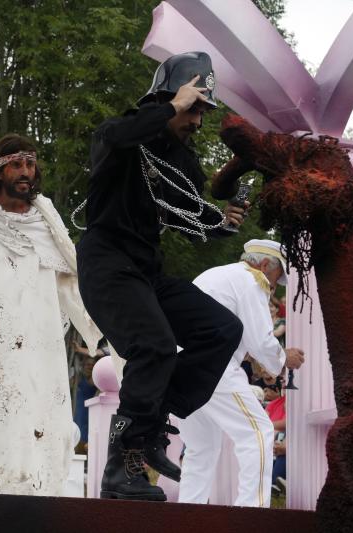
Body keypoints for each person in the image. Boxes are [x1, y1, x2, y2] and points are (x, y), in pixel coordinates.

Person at [76, 51, 247, 501]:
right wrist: (171, 104)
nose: (197, 120)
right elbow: (117, 134)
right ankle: (121, 467)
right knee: (153, 346)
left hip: (146, 271)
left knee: (222, 329)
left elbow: (194, 219)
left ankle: (150, 423)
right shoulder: (121, 136)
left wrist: (221, 221)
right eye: (193, 108)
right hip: (107, 263)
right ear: (169, 98)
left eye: (202, 112)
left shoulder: (177, 157)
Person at [0, 133, 102, 496]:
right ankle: (4, 499)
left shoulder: (44, 217)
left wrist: (100, 327)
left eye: (30, 163)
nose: (26, 171)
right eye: (16, 164)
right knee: (5, 417)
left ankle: (41, 501)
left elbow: (69, 279)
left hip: (43, 338)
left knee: (49, 419)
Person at [177, 239, 305, 507]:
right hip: (213, 367)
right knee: (258, 432)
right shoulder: (251, 279)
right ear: (265, 264)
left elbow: (229, 330)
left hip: (181, 366)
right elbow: (260, 339)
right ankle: (252, 514)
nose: (272, 285)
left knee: (201, 448)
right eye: (276, 277)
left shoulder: (215, 274)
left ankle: (187, 515)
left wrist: (258, 361)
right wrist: (283, 360)